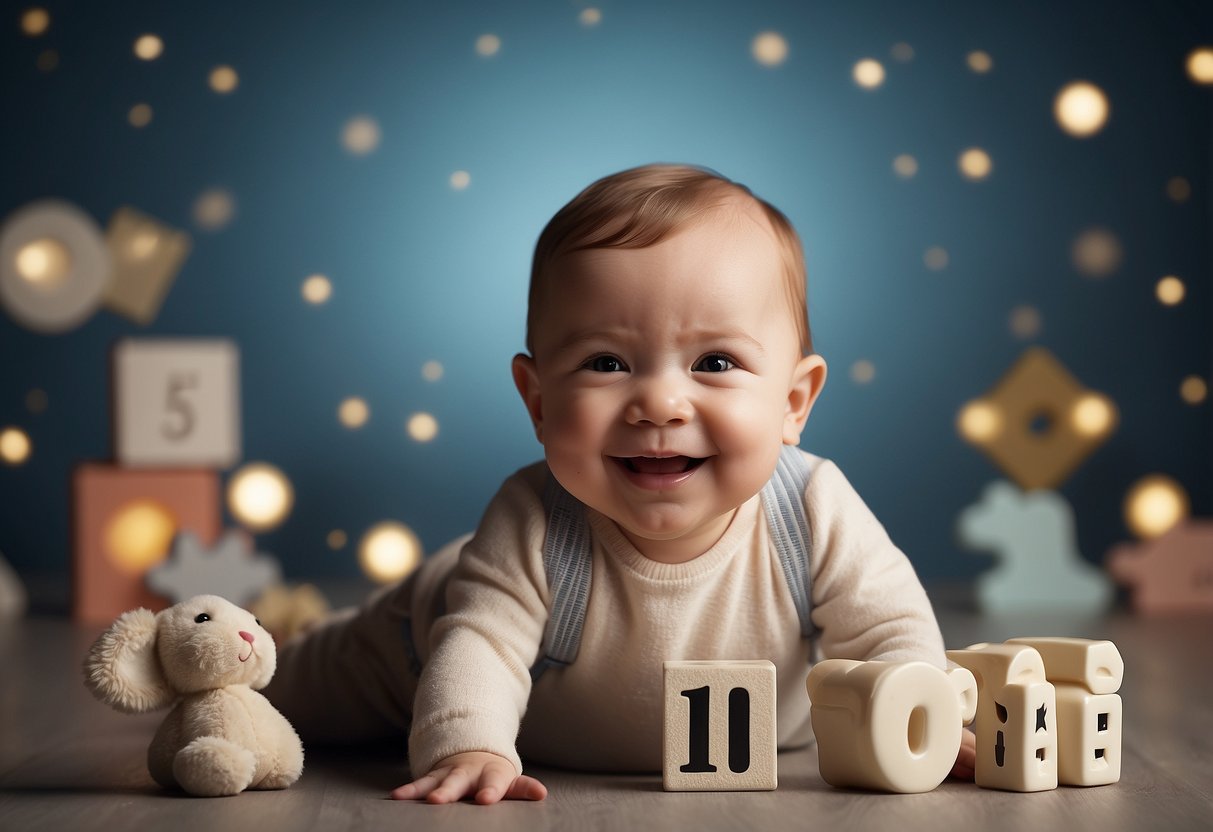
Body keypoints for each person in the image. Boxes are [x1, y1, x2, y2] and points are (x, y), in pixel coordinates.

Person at [264, 163, 975, 805]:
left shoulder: (811, 509)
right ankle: (277, 636)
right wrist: (469, 744)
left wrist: (920, 721)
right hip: (416, 646)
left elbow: (891, 630)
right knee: (286, 691)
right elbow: (480, 646)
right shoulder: (534, 518)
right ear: (539, 401)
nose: (661, 403)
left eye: (715, 362)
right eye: (606, 363)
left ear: (793, 403)